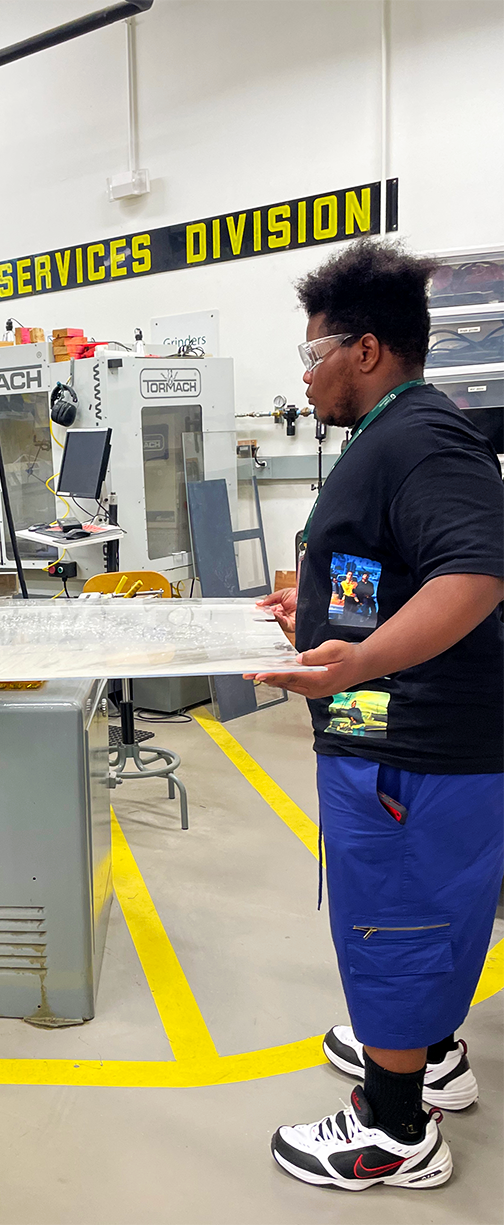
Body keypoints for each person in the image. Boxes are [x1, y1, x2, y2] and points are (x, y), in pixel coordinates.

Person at [253, 240, 504, 1192]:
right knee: (419, 919)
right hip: (392, 733)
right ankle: (428, 1053)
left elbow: (474, 571)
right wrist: (318, 613)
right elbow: (387, 565)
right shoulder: (391, 434)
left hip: (416, 751)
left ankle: (396, 1131)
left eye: (313, 355)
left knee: (395, 924)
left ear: (366, 352)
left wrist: (358, 658)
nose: (307, 377)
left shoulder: (422, 436)